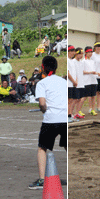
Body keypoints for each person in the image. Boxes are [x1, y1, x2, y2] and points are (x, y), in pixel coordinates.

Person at [28, 56, 67, 189]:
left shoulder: (42, 83)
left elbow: (43, 104)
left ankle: (42, 180)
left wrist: (42, 109)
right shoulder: (63, 81)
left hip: (50, 119)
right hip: (64, 119)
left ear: (43, 67)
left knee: (42, 148)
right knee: (68, 147)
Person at [82, 46, 99, 116]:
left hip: (93, 80)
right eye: (89, 52)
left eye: (91, 52)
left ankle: (92, 109)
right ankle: (78, 110)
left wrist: (96, 73)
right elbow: (82, 72)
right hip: (86, 81)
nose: (90, 53)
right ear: (85, 53)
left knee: (93, 96)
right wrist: (90, 72)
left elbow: (94, 70)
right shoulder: (83, 61)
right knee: (85, 96)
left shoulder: (93, 61)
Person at [91, 42, 100, 113]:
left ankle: (98, 106)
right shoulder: (92, 55)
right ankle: (91, 107)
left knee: (99, 92)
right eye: (97, 46)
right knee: (93, 93)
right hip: (94, 75)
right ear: (94, 47)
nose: (99, 48)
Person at [73, 48, 85, 119]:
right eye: (80, 54)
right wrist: (75, 81)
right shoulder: (73, 61)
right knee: (75, 99)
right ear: (76, 53)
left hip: (81, 83)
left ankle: (77, 112)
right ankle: (70, 113)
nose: (81, 55)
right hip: (76, 83)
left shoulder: (81, 62)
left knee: (80, 99)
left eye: (82, 54)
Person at [67, 45, 78, 123]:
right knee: (68, 101)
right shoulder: (67, 60)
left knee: (71, 100)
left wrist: (76, 81)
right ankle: (67, 115)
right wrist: (73, 81)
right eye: (72, 51)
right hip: (69, 84)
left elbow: (75, 73)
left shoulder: (72, 61)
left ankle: (70, 114)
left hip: (73, 84)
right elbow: (68, 73)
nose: (73, 53)